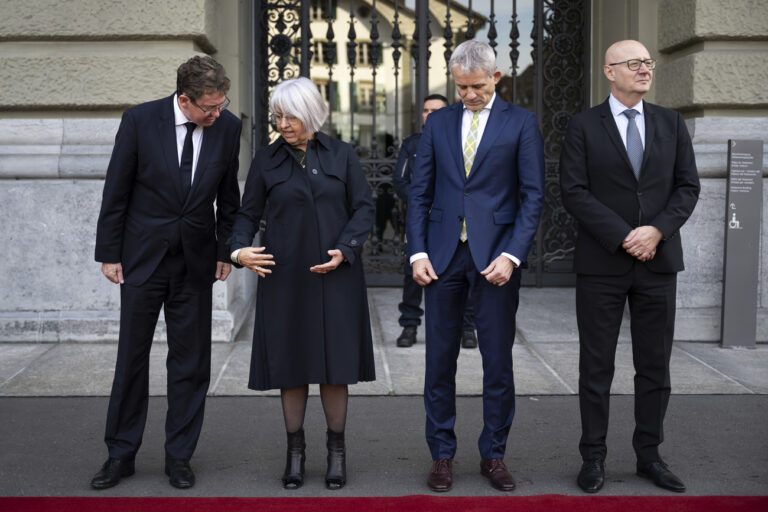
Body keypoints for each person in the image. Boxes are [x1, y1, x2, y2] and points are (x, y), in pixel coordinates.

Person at [91, 56, 241, 490]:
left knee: (191, 363)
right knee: (132, 360)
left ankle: (179, 455)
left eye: (221, 104)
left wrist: (225, 251)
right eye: (208, 107)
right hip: (141, 259)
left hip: (194, 262)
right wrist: (109, 252)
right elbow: (116, 188)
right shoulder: (140, 120)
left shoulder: (227, 128)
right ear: (184, 100)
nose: (217, 114)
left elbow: (228, 197)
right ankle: (120, 454)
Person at [559, 40, 700, 494]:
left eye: (648, 63)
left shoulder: (671, 122)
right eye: (633, 63)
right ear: (609, 72)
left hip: (658, 263)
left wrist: (656, 231)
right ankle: (593, 457)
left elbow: (687, 188)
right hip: (603, 263)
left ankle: (649, 455)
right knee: (596, 367)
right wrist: (625, 235)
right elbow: (574, 191)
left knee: (655, 365)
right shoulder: (583, 126)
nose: (644, 69)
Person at [407, 40, 545, 492]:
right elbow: (420, 193)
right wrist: (418, 252)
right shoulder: (439, 123)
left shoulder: (522, 123)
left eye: (478, 87)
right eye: (462, 86)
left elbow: (532, 197)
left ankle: (494, 454)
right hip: (442, 257)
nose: (468, 95)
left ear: (497, 79)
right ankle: (442, 454)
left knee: (497, 362)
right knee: (438, 362)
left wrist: (512, 255)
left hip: (497, 258)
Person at [228, 77, 375, 490]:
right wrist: (239, 251)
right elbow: (246, 214)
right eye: (277, 115)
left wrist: (345, 248)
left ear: (311, 113)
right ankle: (295, 452)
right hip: (285, 277)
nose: (283, 123)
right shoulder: (266, 159)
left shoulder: (342, 155)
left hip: (337, 276)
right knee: (291, 366)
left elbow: (363, 208)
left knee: (334, 368)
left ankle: (336, 452)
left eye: (291, 115)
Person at [393, 94, 478, 349]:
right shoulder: (412, 144)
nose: (430, 114)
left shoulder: (461, 141)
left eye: (436, 110)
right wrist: (426, 204)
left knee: (465, 272)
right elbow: (400, 181)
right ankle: (409, 325)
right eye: (426, 110)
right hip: (422, 219)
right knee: (413, 274)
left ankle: (467, 327)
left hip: (455, 221)